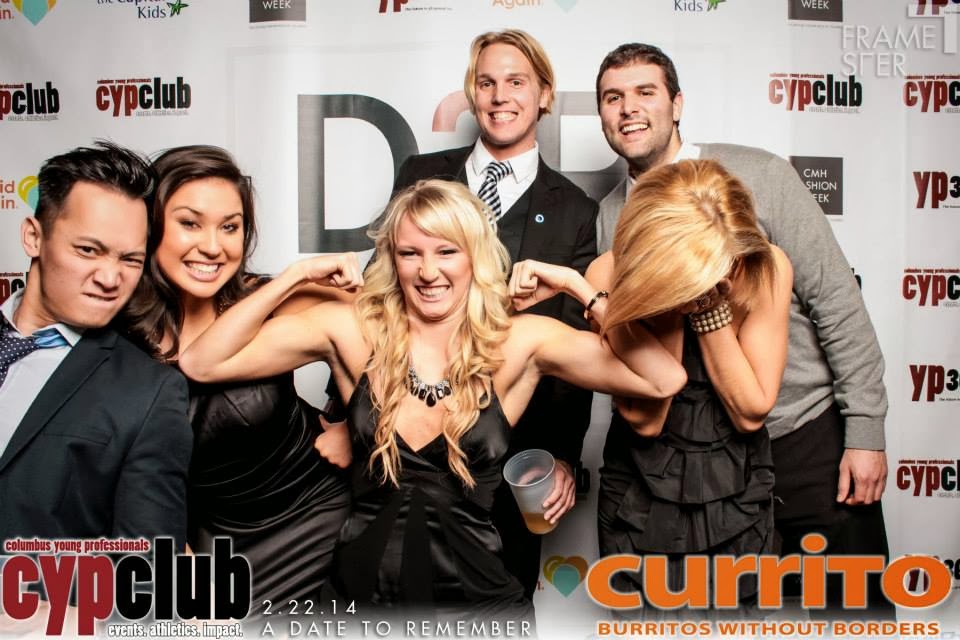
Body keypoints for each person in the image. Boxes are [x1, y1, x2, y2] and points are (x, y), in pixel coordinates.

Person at [178, 179, 686, 624]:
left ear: (475, 257)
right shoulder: (354, 332)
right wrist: (294, 277)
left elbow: (662, 379)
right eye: (410, 253)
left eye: (447, 251)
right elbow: (202, 363)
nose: (427, 271)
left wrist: (577, 288)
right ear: (392, 259)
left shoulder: (516, 343)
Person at [594, 43, 893, 618]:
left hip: (800, 437)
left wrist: (865, 430)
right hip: (695, 467)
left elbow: (836, 300)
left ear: (677, 104)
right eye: (613, 97)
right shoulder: (612, 216)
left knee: (853, 612)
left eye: (645, 92)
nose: (628, 108)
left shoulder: (758, 176)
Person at [384, 28, 598, 599]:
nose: (500, 96)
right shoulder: (420, 176)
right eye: (486, 83)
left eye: (516, 82)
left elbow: (572, 347)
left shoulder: (577, 210)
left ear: (544, 94)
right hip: (407, 446)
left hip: (510, 456)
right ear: (472, 94)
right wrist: (341, 413)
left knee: (501, 605)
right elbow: (380, 298)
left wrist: (562, 456)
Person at [121, 145, 351, 609]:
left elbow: (396, 333)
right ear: (151, 224)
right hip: (210, 544)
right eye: (190, 223)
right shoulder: (118, 332)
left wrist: (361, 425)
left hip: (319, 514)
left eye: (230, 227)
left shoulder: (269, 300)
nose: (213, 246)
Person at [589, 159, 792, 614]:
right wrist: (670, 295)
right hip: (640, 492)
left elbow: (751, 410)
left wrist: (707, 309)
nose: (723, 269)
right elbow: (647, 419)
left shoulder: (763, 266)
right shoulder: (608, 274)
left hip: (736, 487)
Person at [0, 141, 192, 548]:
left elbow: (148, 571)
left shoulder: (148, 393)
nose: (109, 278)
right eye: (88, 250)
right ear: (34, 237)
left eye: (130, 260)